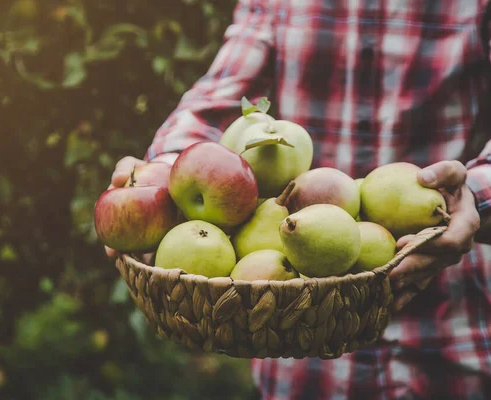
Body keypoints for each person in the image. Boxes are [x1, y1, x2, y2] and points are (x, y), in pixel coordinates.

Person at [107, 1, 491, 398]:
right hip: (298, 339)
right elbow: (219, 91)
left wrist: (475, 194)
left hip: (447, 329)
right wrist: (159, 178)